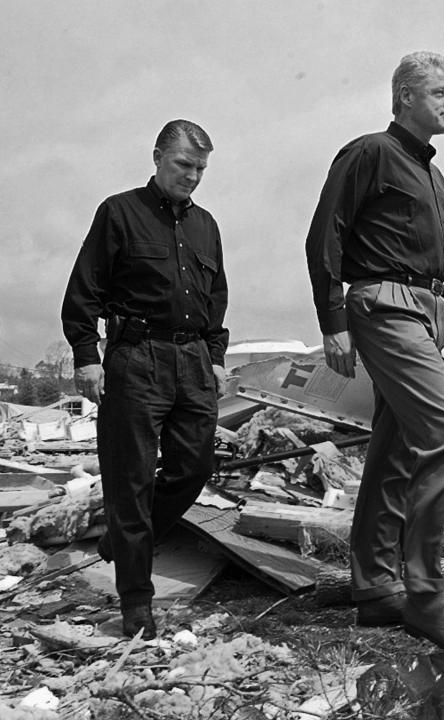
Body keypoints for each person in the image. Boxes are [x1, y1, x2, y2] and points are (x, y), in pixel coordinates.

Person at [305, 52, 444, 652]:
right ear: (404, 96)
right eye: (439, 92)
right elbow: (327, 232)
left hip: (429, 311)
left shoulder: (435, 179)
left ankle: (376, 588)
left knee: (396, 450)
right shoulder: (370, 152)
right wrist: (333, 319)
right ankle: (427, 597)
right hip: (382, 304)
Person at [61, 120, 229, 640]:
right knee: (129, 481)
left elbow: (215, 298)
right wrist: (87, 356)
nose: (193, 176)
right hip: (135, 358)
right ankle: (137, 602)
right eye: (183, 165)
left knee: (193, 467)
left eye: (201, 168)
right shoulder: (120, 212)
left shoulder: (207, 226)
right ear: (157, 157)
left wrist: (217, 356)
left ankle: (125, 538)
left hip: (194, 360)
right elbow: (84, 289)